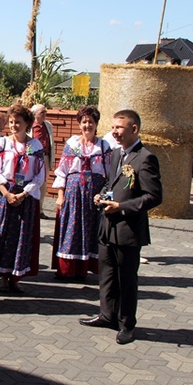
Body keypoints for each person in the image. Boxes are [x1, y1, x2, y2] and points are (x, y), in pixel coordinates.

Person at [80, 109, 162, 345]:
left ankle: (127, 324)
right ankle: (107, 315)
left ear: (134, 129)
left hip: (128, 229)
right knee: (106, 274)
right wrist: (102, 194)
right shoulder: (116, 154)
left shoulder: (145, 157)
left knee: (126, 279)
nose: (114, 132)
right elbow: (112, 182)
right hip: (108, 225)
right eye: (113, 127)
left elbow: (154, 196)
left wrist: (122, 206)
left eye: (119, 128)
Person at [0, 103, 45, 293]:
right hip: (3, 195)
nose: (14, 126)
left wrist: (23, 194)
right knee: (2, 237)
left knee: (20, 238)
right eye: (12, 122)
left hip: (25, 197)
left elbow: (39, 175)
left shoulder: (35, 145)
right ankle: (2, 277)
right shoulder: (3, 143)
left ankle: (15, 277)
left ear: (28, 124)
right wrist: (7, 194)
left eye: (19, 122)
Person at [51, 106, 113, 281]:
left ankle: (84, 269)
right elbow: (62, 170)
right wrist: (60, 195)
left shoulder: (103, 145)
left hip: (95, 194)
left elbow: (110, 175)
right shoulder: (72, 143)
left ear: (96, 124)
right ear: (79, 124)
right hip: (74, 192)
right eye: (84, 122)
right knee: (71, 228)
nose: (87, 125)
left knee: (92, 229)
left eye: (91, 122)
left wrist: (107, 199)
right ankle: (68, 270)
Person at [29, 104, 54, 219]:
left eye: (45, 112)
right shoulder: (29, 126)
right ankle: (31, 209)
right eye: (42, 112)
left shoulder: (48, 125)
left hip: (45, 157)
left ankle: (40, 209)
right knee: (31, 182)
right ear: (34, 114)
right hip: (32, 158)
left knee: (43, 185)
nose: (45, 114)